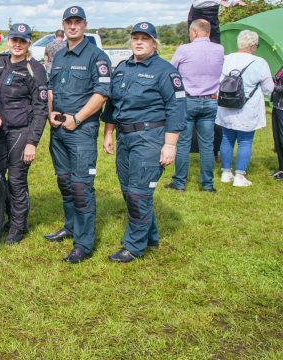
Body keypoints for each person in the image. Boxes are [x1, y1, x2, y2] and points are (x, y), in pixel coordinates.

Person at [102, 23, 186, 262]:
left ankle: (134, 246)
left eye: (145, 39)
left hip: (150, 138)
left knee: (139, 193)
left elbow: (177, 109)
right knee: (129, 191)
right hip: (124, 136)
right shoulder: (122, 68)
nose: (139, 42)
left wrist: (170, 145)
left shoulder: (165, 71)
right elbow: (112, 105)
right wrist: (108, 133)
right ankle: (151, 237)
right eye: (135, 38)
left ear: (154, 43)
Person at [45, 6, 111, 264]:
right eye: (68, 22)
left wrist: (78, 118)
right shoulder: (60, 55)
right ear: (63, 25)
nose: (72, 26)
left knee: (81, 187)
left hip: (81, 131)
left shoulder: (97, 56)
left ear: (84, 25)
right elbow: (51, 88)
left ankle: (83, 243)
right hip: (58, 129)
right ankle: (70, 226)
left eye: (77, 22)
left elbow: (102, 93)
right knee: (64, 182)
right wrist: (51, 112)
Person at [0, 24, 49, 244]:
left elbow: (41, 107)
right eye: (14, 40)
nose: (17, 44)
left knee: (16, 180)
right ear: (8, 40)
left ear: (28, 43)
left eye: (22, 41)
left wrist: (32, 142)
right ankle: (5, 217)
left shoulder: (35, 69)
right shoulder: (1, 61)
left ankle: (18, 226)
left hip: (21, 130)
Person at [166, 19, 224, 192]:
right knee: (207, 144)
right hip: (211, 100)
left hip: (188, 100)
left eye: (190, 32)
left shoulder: (184, 49)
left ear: (196, 32)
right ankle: (207, 184)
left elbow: (171, 70)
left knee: (183, 142)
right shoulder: (219, 49)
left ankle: (179, 182)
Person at [215, 30, 274, 187]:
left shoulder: (225, 59)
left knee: (227, 137)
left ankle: (226, 173)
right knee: (245, 141)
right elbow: (269, 88)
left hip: (227, 105)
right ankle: (240, 176)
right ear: (253, 46)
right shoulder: (259, 62)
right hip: (248, 108)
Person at [271, 64, 283, 181]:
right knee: (277, 138)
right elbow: (276, 79)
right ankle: (281, 167)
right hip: (277, 106)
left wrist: (272, 86)